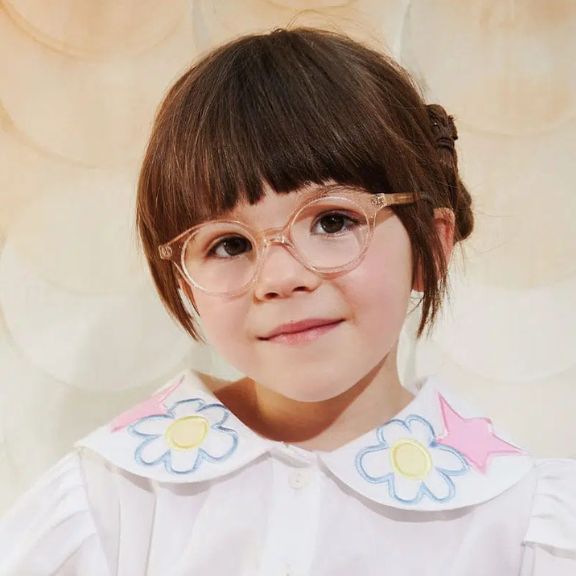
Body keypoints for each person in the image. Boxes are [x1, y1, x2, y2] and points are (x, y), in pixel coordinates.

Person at [0, 26, 574, 576]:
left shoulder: (520, 518)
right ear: (183, 281)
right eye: (229, 244)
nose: (279, 277)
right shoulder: (111, 496)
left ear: (432, 244)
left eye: (333, 221)